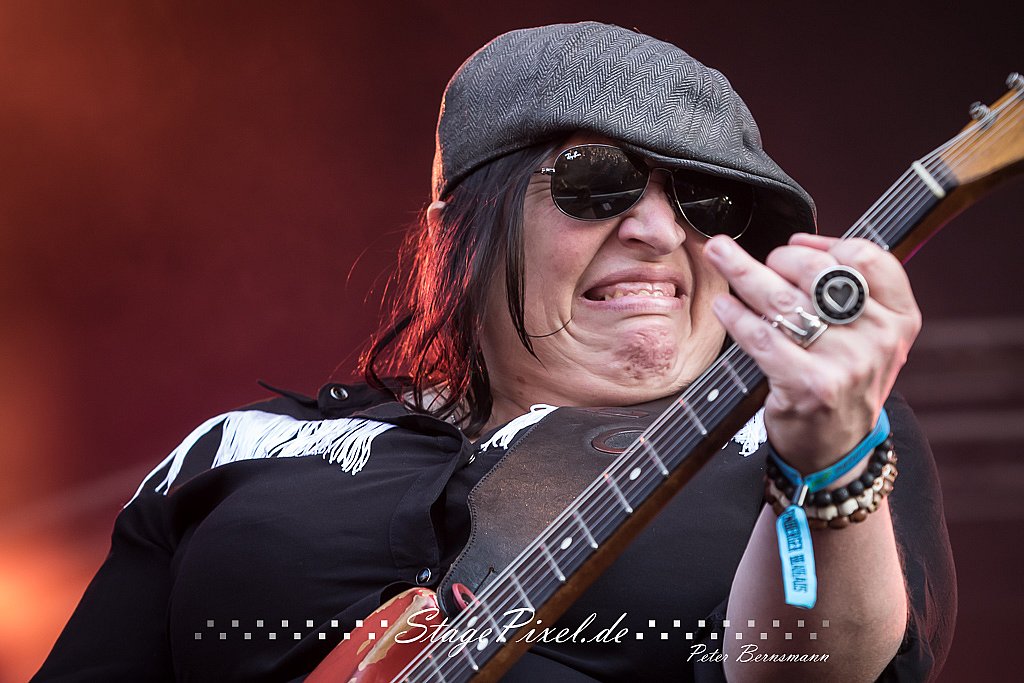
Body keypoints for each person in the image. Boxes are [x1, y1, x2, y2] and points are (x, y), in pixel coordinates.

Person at [33, 22, 955, 682]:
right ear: (458, 236)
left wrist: (831, 465)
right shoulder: (236, 449)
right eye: (599, 181)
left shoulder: (815, 430)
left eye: (708, 201)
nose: (660, 230)